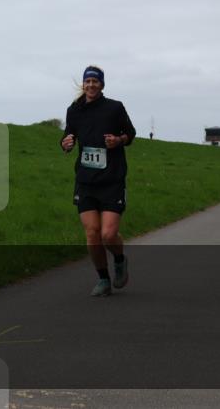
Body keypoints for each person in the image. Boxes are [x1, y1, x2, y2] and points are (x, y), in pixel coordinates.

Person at [60, 65, 136, 297]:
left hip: (112, 178)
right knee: (92, 234)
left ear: (102, 85)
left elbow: (130, 134)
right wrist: (65, 143)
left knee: (108, 235)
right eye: (88, 81)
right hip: (85, 179)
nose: (91, 85)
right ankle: (103, 279)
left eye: (96, 81)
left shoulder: (114, 108)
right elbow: (67, 135)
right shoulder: (74, 110)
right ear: (83, 84)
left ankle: (120, 260)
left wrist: (118, 140)